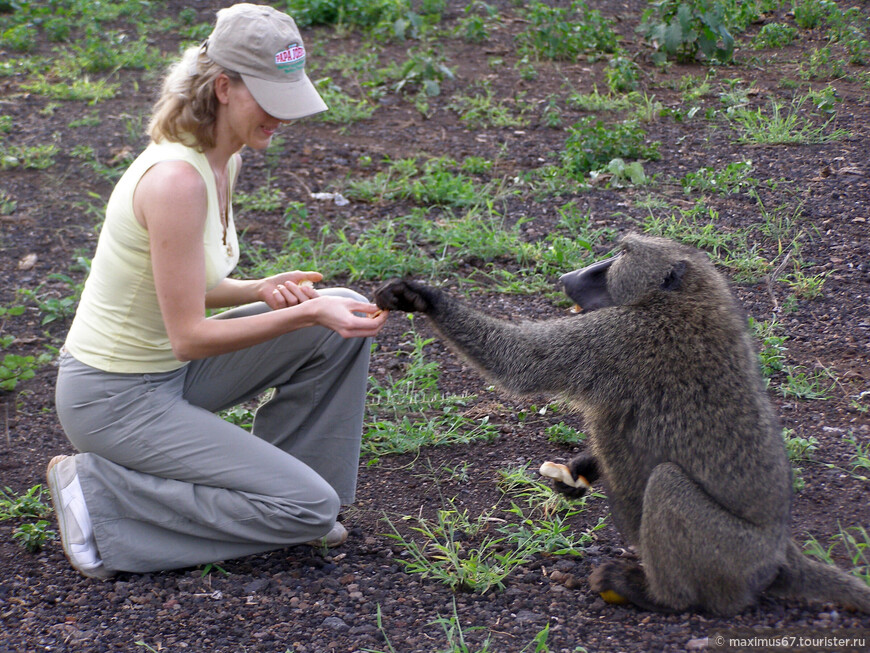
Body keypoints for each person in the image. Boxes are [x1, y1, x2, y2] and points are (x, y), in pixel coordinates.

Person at [47, 3, 388, 580]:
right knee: (310, 494)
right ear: (224, 87)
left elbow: (192, 287)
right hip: (113, 400)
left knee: (339, 315)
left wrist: (262, 288)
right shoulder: (176, 181)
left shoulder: (219, 159)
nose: (284, 117)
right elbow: (189, 337)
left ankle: (287, 501)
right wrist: (304, 317)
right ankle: (98, 497)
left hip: (167, 381)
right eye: (270, 99)